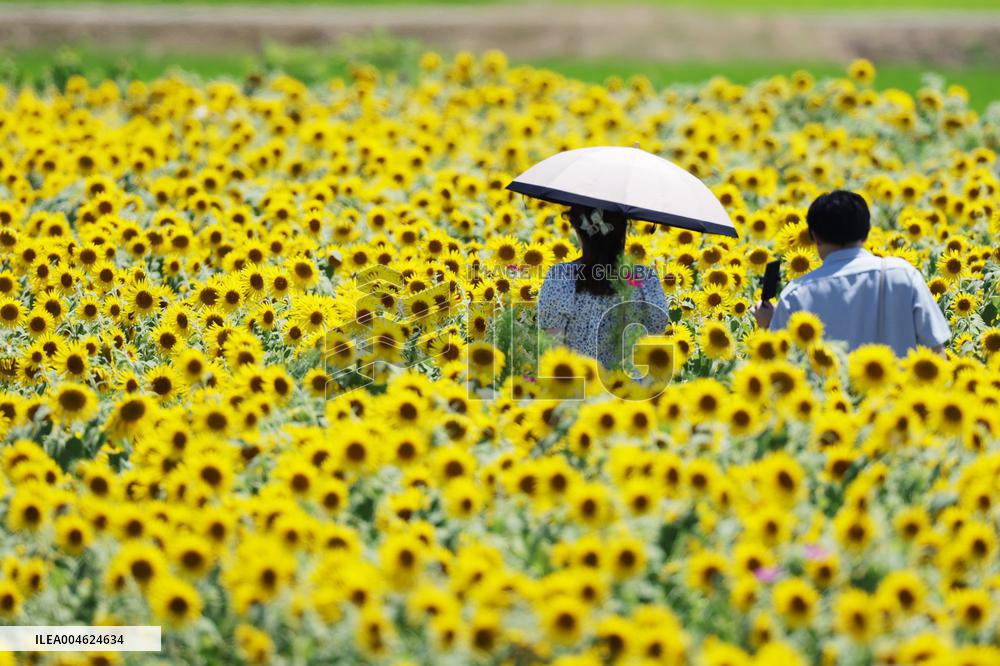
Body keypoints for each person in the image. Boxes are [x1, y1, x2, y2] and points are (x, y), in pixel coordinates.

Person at [753, 190, 950, 356]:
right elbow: (936, 352)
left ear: (815, 237)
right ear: (866, 232)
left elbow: (780, 366)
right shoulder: (903, 275)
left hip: (829, 400)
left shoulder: (796, 293)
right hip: (900, 399)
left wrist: (767, 325)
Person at [537, 205, 668, 368]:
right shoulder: (645, 280)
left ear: (579, 231)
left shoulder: (561, 277)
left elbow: (554, 350)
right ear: (623, 229)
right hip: (631, 388)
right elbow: (656, 344)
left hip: (580, 386)